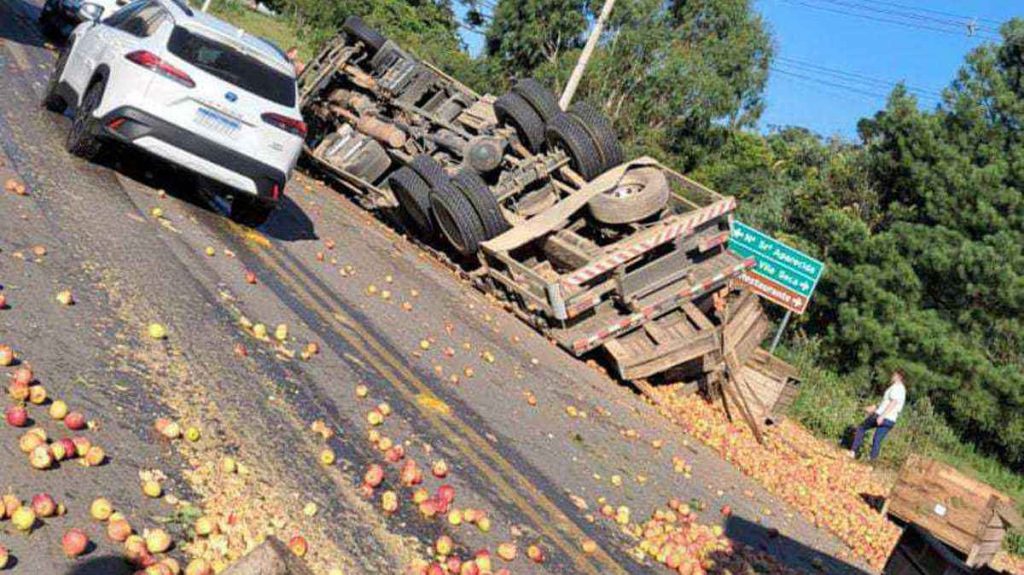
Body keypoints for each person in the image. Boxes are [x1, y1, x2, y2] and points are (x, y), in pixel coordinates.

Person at [849, 369, 907, 461]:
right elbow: (887, 403)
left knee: (861, 428)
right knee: (877, 440)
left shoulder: (896, 387)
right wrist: (874, 407)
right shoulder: (902, 390)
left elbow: (894, 402)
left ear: (899, 377)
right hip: (891, 420)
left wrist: (882, 416)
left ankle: (852, 452)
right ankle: (872, 462)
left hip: (882, 416)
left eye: (894, 375)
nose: (892, 376)